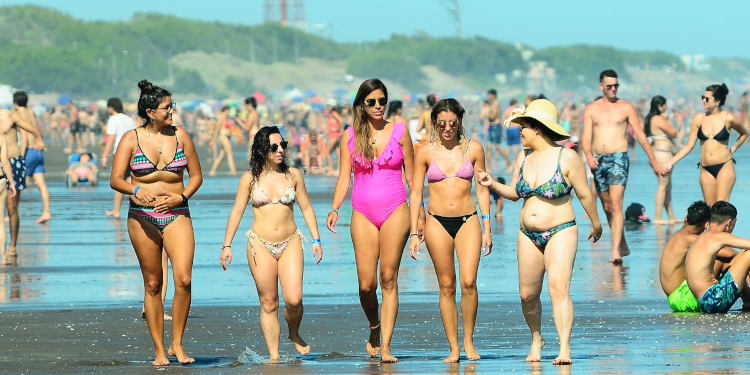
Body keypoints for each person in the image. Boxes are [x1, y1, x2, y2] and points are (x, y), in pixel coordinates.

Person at [477, 99, 602, 365]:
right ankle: (536, 338)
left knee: (558, 288)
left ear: (538, 128)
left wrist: (596, 223)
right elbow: (514, 194)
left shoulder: (566, 156)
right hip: (527, 234)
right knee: (527, 294)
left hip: (561, 230)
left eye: (523, 127)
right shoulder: (524, 157)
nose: (519, 132)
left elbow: (584, 194)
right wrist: (492, 184)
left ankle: (564, 348)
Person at [110, 80, 202, 366]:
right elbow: (116, 179)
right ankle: (160, 350)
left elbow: (197, 176)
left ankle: (177, 344)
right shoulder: (130, 139)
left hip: (178, 214)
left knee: (184, 279)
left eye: (171, 105)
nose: (172, 111)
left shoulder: (182, 136)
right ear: (150, 111)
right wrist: (136, 190)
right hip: (142, 218)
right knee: (152, 284)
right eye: (167, 107)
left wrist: (181, 196)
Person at [326, 78, 419, 363]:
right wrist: (334, 208)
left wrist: (420, 219)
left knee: (388, 278)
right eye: (372, 102)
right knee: (367, 284)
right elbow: (345, 177)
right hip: (362, 212)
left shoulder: (400, 132)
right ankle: (374, 327)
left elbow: (413, 179)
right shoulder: (350, 136)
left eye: (382, 101)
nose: (378, 107)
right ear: (361, 105)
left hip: (396, 209)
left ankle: (387, 346)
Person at [220, 126, 323, 361]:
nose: (280, 151)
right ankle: (274, 357)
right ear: (261, 150)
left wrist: (316, 239)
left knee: (294, 300)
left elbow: (306, 207)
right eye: (274, 147)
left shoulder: (293, 175)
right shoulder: (249, 179)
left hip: (291, 242)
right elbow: (236, 212)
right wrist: (227, 245)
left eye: (283, 145)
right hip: (259, 244)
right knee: (269, 303)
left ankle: (294, 332)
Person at [408, 98, 491, 362]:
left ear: (460, 122)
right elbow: (415, 194)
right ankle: (453, 347)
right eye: (442, 123)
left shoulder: (474, 148)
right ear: (434, 123)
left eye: (452, 123)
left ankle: (469, 342)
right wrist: (414, 231)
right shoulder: (424, 151)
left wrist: (488, 227)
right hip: (436, 222)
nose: (447, 128)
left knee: (468, 282)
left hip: (469, 220)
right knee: (446, 285)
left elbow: (482, 188)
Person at [582, 69, 665, 264]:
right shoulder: (591, 109)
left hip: (619, 157)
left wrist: (654, 162)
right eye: (609, 86)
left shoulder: (626, 107)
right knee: (607, 207)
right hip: (598, 159)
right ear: (601, 86)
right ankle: (623, 243)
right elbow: (586, 136)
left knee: (617, 203)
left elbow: (641, 136)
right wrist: (587, 156)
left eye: (616, 85)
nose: (613, 89)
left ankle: (615, 251)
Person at [666, 84, 747, 205]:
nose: (703, 100)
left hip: (724, 166)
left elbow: (744, 134)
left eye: (707, 98)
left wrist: (733, 149)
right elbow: (689, 146)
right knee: (710, 210)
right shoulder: (699, 118)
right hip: (705, 169)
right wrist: (670, 162)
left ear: (717, 101)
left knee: (721, 210)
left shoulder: (728, 118)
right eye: (702, 97)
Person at [0, 92, 44, 260]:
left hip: (14, 161)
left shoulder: (9, 115)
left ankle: (13, 245)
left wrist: (39, 140)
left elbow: (34, 130)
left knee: (12, 207)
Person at [686, 201, 750, 313]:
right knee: (747, 254)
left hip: (705, 302)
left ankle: (748, 303)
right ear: (729, 223)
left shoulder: (703, 236)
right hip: (714, 300)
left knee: (738, 259)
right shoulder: (718, 236)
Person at [658, 201, 714, 312]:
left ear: (685, 218)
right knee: (723, 261)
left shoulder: (678, 235)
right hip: (682, 299)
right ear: (706, 224)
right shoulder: (690, 239)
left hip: (675, 299)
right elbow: (728, 253)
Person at [15, 92, 51, 224]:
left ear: (15, 103)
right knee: (41, 184)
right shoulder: (32, 112)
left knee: (17, 184)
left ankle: (14, 214)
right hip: (38, 151)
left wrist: (21, 156)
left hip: (29, 151)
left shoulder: (18, 114)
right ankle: (46, 212)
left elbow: (23, 137)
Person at [644, 96, 679, 224]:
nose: (666, 108)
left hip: (661, 153)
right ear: (660, 106)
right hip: (662, 154)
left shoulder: (650, 119)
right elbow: (673, 133)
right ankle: (658, 217)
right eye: (665, 105)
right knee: (662, 186)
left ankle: (671, 216)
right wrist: (667, 119)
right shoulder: (658, 119)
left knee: (667, 187)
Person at [102, 97, 137, 218]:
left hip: (120, 152)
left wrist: (104, 156)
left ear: (111, 107)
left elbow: (111, 138)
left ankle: (116, 210)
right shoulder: (129, 119)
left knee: (118, 180)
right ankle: (136, 206)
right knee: (129, 180)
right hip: (133, 152)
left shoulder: (113, 119)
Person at [485, 89, 511, 172]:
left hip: (496, 126)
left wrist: (487, 113)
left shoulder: (496, 104)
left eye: (489, 95)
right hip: (491, 126)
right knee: (488, 146)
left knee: (497, 147)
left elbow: (493, 117)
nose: (488, 96)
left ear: (493, 95)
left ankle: (509, 162)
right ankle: (489, 167)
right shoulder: (492, 104)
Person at [0, 137, 17, 265]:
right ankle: (4, 258)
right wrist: (12, 182)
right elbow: (5, 162)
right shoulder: (1, 138)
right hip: (1, 179)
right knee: (0, 222)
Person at [208, 105, 237, 176]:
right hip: (223, 137)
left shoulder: (225, 117)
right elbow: (217, 129)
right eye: (229, 111)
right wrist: (213, 141)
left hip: (226, 137)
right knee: (230, 154)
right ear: (226, 110)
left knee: (221, 155)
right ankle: (233, 172)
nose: (229, 112)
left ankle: (212, 171)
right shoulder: (222, 117)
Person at [324, 100, 344, 175]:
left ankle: (331, 169)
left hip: (335, 135)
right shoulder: (332, 114)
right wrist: (324, 135)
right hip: (333, 135)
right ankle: (340, 169)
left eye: (329, 106)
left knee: (327, 152)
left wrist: (339, 129)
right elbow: (330, 128)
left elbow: (341, 121)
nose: (327, 107)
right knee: (337, 153)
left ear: (332, 106)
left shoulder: (334, 113)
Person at [503, 99, 522, 172]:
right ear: (514, 103)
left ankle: (506, 161)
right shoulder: (516, 110)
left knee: (508, 146)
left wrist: (503, 129)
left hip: (509, 129)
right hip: (515, 128)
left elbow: (504, 119)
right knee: (516, 146)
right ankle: (516, 160)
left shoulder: (507, 110)